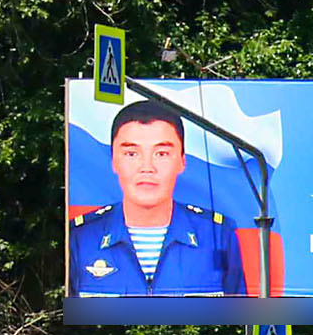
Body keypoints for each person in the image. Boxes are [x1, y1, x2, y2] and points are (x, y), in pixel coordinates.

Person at [70, 100, 252, 297]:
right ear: (114, 160)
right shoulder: (81, 237)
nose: (147, 167)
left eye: (161, 153)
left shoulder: (216, 234)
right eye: (131, 153)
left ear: (182, 161)